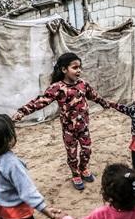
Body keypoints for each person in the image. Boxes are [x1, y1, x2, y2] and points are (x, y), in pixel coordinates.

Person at [12, 52, 110, 190]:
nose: (79, 71)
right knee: (72, 154)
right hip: (68, 129)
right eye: (75, 68)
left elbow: (94, 95)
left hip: (84, 127)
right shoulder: (57, 88)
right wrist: (22, 111)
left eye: (80, 67)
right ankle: (75, 174)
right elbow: (41, 101)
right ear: (64, 70)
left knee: (87, 151)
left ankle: (83, 169)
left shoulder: (83, 84)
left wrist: (104, 103)